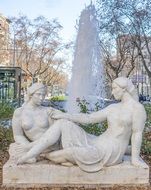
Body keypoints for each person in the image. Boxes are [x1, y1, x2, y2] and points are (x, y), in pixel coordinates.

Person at [16, 77, 146, 172]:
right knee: (63, 123)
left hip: (110, 152)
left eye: (114, 89)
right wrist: (64, 115)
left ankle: (37, 153)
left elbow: (137, 134)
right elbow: (89, 118)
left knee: (61, 154)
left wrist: (135, 159)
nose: (112, 92)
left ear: (123, 89)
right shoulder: (113, 107)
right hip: (97, 142)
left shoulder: (137, 109)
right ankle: (30, 152)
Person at [11, 83, 62, 163]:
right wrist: (25, 145)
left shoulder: (47, 111)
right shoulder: (19, 112)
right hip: (32, 146)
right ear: (31, 95)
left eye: (43, 95)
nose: (41, 98)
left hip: (49, 145)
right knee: (25, 155)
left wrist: (28, 147)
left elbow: (54, 133)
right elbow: (18, 135)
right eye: (38, 94)